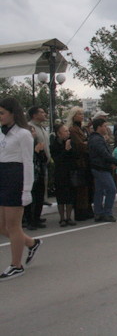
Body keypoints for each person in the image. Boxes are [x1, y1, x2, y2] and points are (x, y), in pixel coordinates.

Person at [0, 98, 42, 281]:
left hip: (15, 179)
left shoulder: (23, 134)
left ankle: (16, 265)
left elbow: (28, 163)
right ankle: (31, 243)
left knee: (13, 226)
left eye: (2, 113)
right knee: (1, 226)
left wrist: (26, 190)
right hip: (2, 177)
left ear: (13, 113)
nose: (0, 116)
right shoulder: (2, 133)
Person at [88, 118, 117, 222]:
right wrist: (115, 161)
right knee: (111, 189)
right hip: (100, 168)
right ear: (99, 127)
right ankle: (107, 213)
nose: (106, 128)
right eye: (104, 126)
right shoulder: (97, 140)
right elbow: (103, 153)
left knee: (99, 191)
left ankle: (98, 213)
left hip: (98, 167)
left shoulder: (96, 138)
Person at [26, 107, 50, 229]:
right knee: (33, 194)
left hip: (42, 164)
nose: (44, 114)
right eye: (41, 112)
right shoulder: (29, 127)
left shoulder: (42, 127)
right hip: (33, 166)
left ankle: (37, 217)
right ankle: (30, 220)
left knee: (40, 193)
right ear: (34, 115)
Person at [67, 107, 92, 221]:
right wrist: (87, 144)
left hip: (86, 161)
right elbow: (80, 145)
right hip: (79, 162)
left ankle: (86, 209)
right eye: (79, 114)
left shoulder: (82, 129)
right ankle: (80, 212)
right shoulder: (73, 130)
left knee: (86, 188)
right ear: (73, 116)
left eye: (82, 114)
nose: (82, 116)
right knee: (80, 189)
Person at [50, 124, 76, 226]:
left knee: (70, 196)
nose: (68, 133)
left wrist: (70, 149)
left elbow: (74, 157)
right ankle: (62, 218)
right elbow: (57, 160)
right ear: (58, 134)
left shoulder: (70, 142)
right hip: (60, 173)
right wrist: (65, 150)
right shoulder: (54, 145)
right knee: (61, 197)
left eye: (68, 131)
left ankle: (69, 217)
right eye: (65, 131)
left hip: (70, 172)